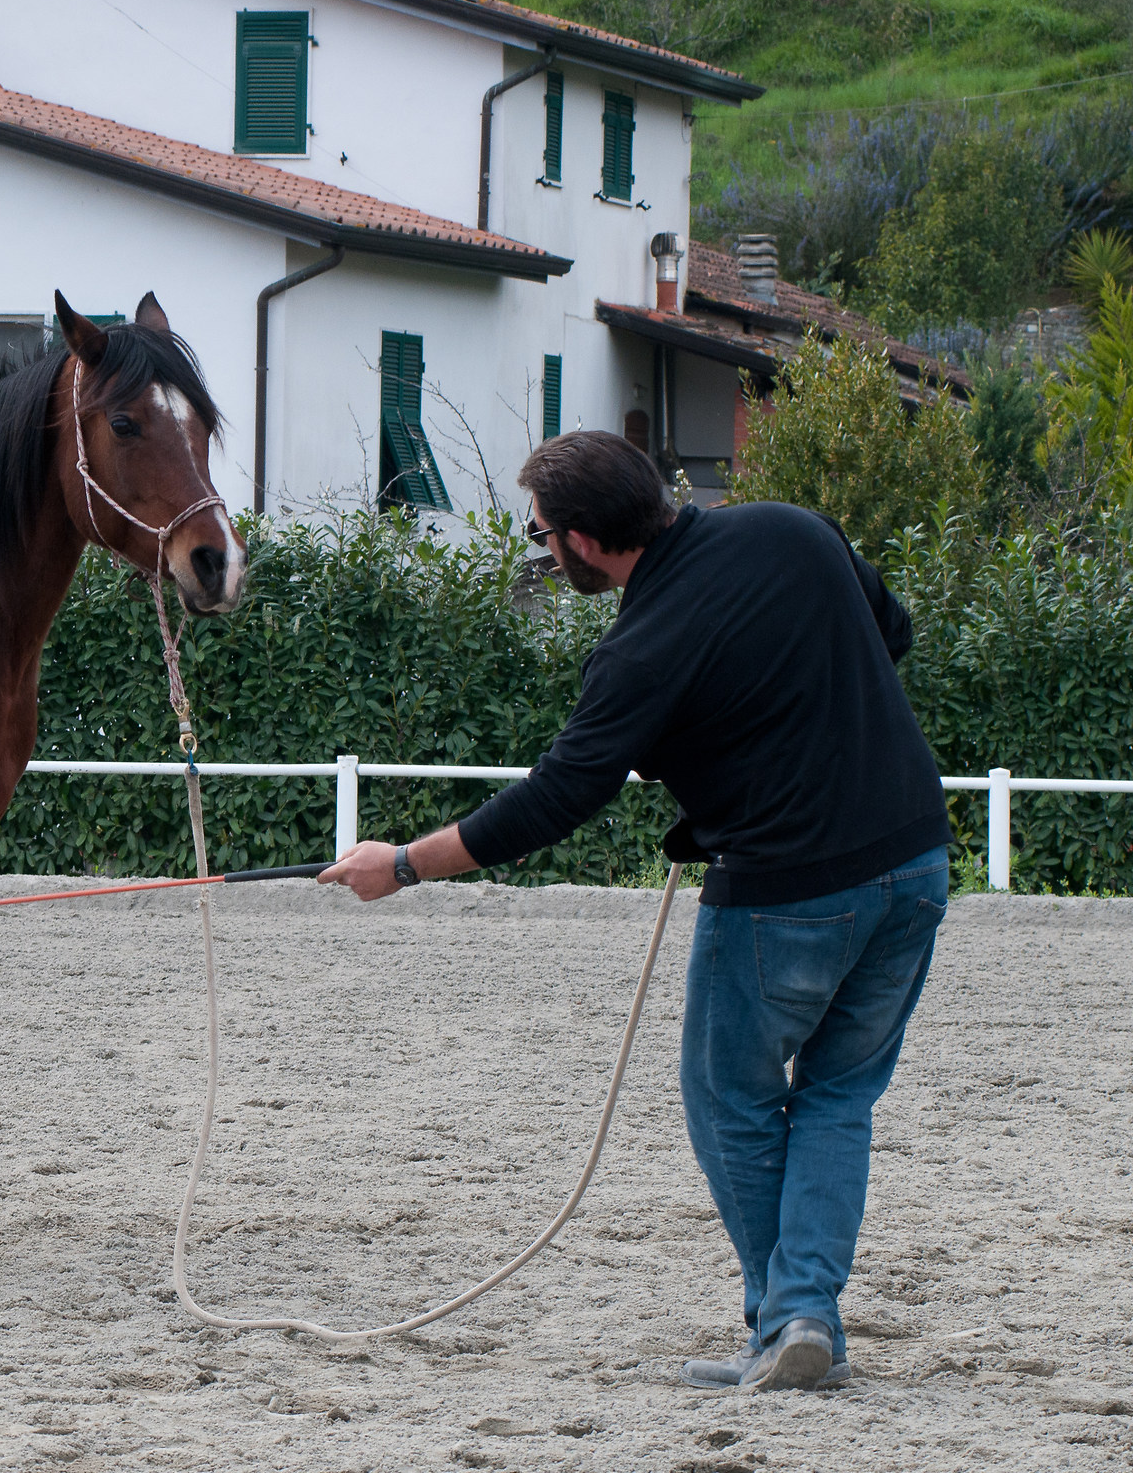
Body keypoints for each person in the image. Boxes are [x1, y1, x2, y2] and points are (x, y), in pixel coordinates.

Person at [320, 431, 951, 1392]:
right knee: (835, 1097)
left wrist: (402, 865)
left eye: (541, 536)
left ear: (583, 538)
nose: (542, 552)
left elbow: (558, 797)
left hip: (784, 895)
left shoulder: (639, 648)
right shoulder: (792, 529)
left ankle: (789, 1323)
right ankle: (799, 1322)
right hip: (917, 862)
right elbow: (890, 634)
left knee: (730, 1101)